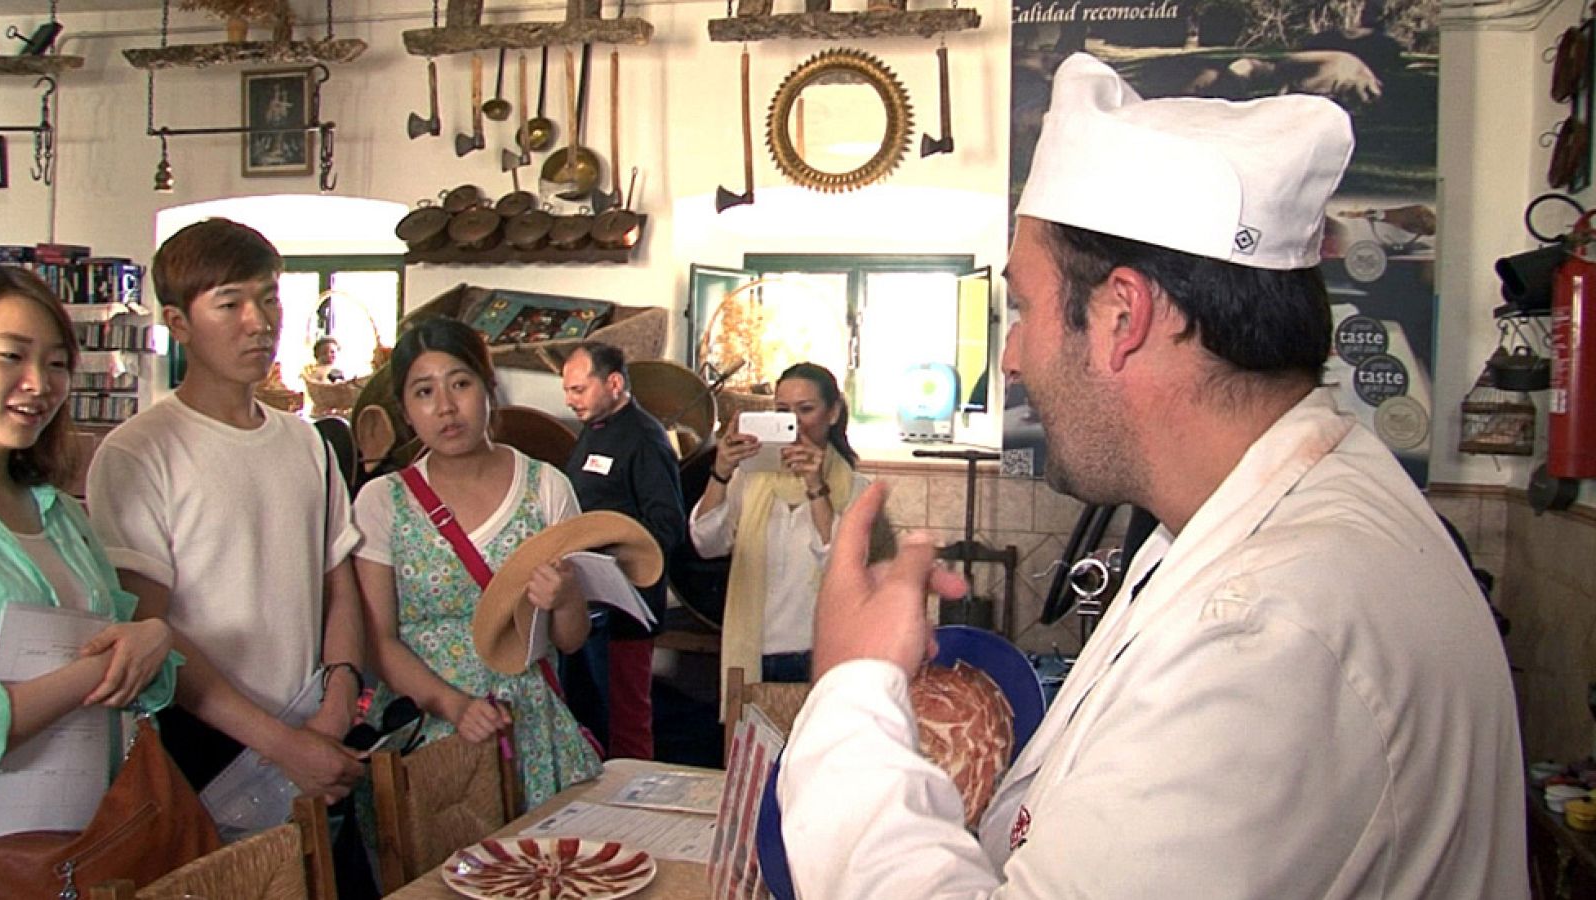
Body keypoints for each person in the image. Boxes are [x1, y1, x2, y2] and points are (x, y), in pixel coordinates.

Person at [777, 54, 1528, 898]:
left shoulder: (1268, 632)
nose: (1015, 359)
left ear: (1123, 317)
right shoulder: (1257, 519)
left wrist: (850, 686)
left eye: (1023, 309)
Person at [85, 219, 366, 810]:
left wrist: (338, 700)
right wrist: (282, 744)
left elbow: (339, 586)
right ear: (178, 322)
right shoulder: (139, 453)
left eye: (268, 299)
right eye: (230, 303)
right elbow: (151, 631)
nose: (258, 323)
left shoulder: (306, 442)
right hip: (205, 751)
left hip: (315, 730)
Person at [352, 317, 601, 803]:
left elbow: (571, 640)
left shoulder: (546, 488)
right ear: (405, 410)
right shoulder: (383, 501)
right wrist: (454, 705)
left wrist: (568, 596)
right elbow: (377, 641)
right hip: (428, 738)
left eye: (460, 384)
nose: (445, 407)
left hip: (532, 729)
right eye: (423, 392)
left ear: (489, 389)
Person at [0, 266, 180, 825]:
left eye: (56, 365)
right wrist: (99, 672)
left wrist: (153, 636)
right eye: (11, 356)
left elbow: (138, 657)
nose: (39, 384)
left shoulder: (60, 514)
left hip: (82, 837)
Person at [692, 362, 872, 691]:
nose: (794, 423)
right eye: (782, 411)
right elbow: (708, 544)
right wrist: (720, 472)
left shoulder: (856, 488)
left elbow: (842, 568)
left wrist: (816, 487)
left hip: (820, 651)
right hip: (753, 649)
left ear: (833, 413)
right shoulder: (752, 475)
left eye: (805, 410)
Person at [561, 342, 685, 759]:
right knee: (591, 720)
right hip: (587, 606)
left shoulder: (645, 439)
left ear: (613, 383)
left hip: (625, 610)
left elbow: (668, 525)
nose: (569, 400)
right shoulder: (593, 428)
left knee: (626, 725)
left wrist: (611, 550)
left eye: (579, 390)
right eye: (568, 390)